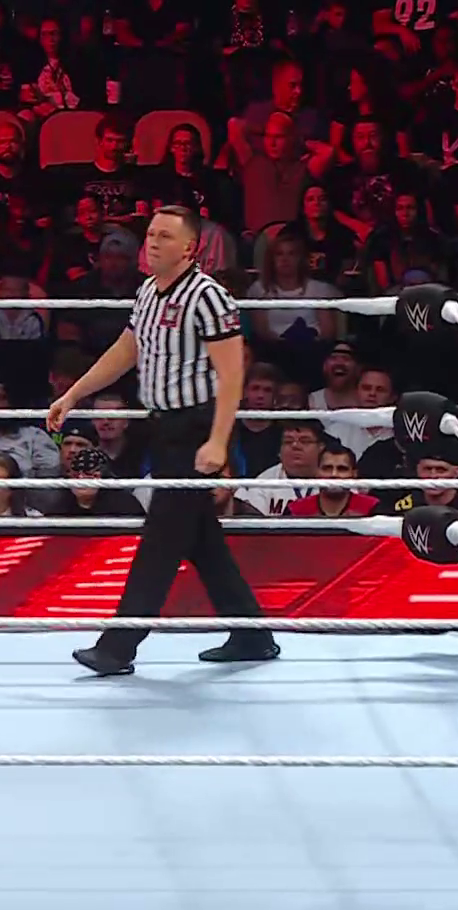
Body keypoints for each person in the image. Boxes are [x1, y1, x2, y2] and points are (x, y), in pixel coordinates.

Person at [46, 205, 276, 674]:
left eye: (165, 236)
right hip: (163, 427)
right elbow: (126, 350)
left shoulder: (209, 297)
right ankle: (252, 634)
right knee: (200, 538)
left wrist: (218, 441)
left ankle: (118, 646)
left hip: (196, 428)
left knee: (162, 538)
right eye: (150, 234)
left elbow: (232, 373)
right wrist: (74, 394)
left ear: (190, 248)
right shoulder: (148, 291)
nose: (152, 243)